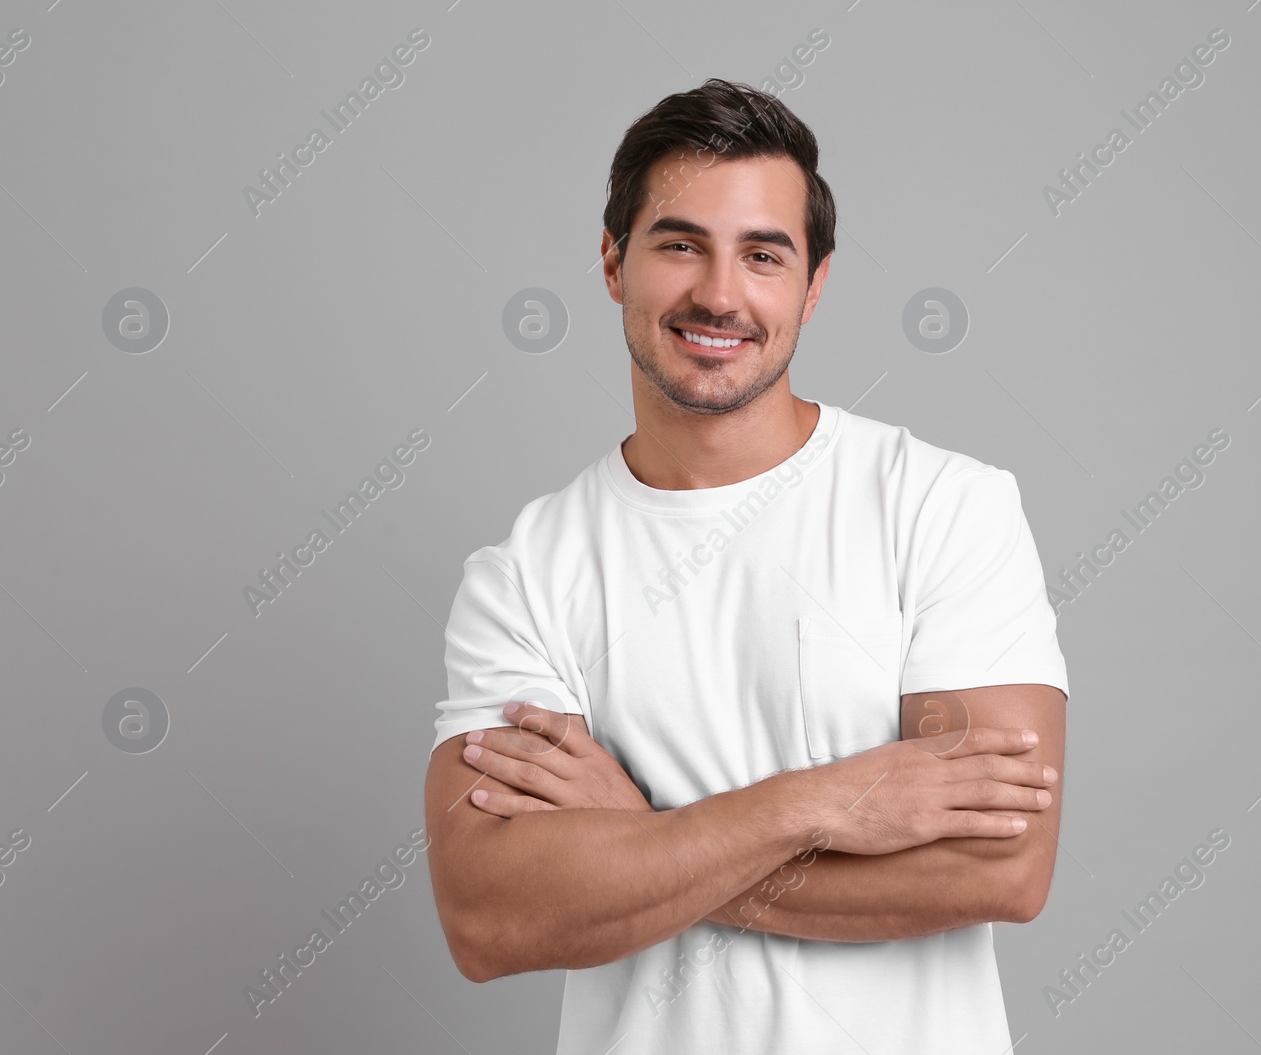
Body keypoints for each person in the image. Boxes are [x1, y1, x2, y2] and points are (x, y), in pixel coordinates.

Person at [423, 78, 1069, 1055]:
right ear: (611, 261)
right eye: (679, 244)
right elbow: (489, 917)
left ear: (812, 285)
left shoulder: (943, 507)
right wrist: (825, 800)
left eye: (762, 255)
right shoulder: (525, 574)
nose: (719, 293)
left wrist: (640, 836)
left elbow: (997, 869)